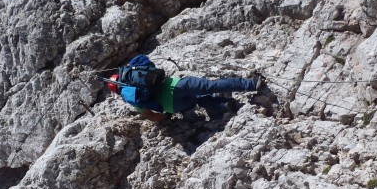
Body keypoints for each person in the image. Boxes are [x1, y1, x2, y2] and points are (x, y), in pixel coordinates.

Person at [107, 71, 261, 122]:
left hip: (174, 106)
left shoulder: (131, 97)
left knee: (197, 100)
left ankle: (223, 105)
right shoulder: (135, 74)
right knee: (209, 86)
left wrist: (166, 115)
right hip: (176, 86)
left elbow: (152, 117)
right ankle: (251, 84)